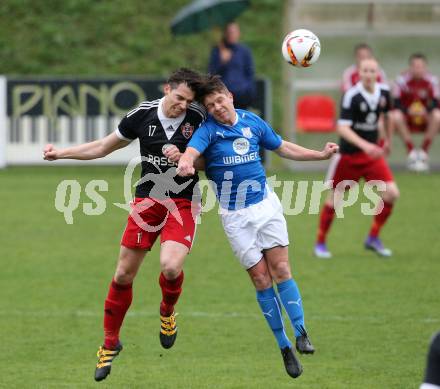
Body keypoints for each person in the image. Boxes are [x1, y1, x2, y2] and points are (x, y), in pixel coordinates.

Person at [43, 68, 206, 382]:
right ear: (167, 88)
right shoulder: (142, 115)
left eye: (188, 101)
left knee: (170, 267)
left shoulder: (197, 119)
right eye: (179, 98)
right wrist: (62, 153)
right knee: (122, 274)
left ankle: (167, 311)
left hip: (184, 202)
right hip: (147, 200)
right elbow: (103, 147)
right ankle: (109, 343)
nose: (183, 105)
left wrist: (185, 158)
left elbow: (208, 160)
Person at [173, 75, 339, 379]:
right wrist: (185, 162)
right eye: (210, 105)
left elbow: (283, 147)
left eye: (220, 100)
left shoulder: (253, 122)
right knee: (262, 280)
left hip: (265, 207)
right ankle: (284, 346)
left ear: (230, 96)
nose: (217, 107)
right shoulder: (207, 131)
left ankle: (302, 332)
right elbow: (192, 152)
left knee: (281, 270)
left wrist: (319, 154)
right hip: (235, 217)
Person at [314, 58, 399, 259]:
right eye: (365, 71)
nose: (369, 74)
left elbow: (388, 117)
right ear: (359, 73)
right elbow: (342, 128)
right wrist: (367, 145)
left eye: (372, 71)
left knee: (392, 194)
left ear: (377, 73)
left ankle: (373, 238)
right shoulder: (351, 96)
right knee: (334, 200)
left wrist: (387, 140)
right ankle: (320, 243)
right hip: (349, 156)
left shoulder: (384, 92)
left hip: (372, 157)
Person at [392, 53, 440, 172]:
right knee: (396, 115)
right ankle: (412, 152)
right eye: (415, 66)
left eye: (421, 66)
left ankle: (423, 152)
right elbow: (396, 103)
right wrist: (408, 111)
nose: (418, 69)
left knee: (437, 115)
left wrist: (425, 110)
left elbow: (436, 102)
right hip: (407, 118)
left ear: (425, 67)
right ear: (410, 67)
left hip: (425, 118)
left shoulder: (432, 81)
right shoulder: (401, 81)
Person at [208, 22, 256, 109]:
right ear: (225, 34)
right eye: (229, 32)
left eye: (234, 32)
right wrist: (222, 63)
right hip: (224, 95)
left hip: (242, 95)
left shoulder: (244, 51)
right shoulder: (217, 51)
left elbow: (250, 73)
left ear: (238, 33)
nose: (231, 35)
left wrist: (249, 91)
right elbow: (212, 74)